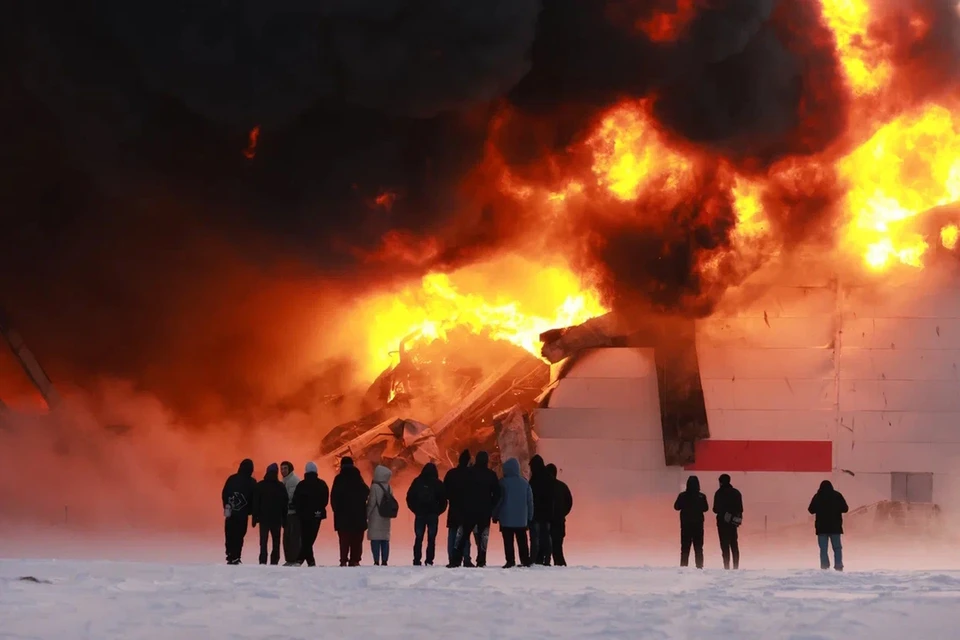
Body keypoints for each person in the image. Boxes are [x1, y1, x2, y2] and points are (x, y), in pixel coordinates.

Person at [448, 450, 500, 568]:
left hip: (468, 510)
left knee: (462, 536)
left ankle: (456, 560)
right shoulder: (491, 475)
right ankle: (481, 560)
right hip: (484, 512)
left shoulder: (468, 473)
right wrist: (491, 505)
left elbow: (461, 490)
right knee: (482, 537)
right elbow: (497, 493)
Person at [494, 458, 534, 568]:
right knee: (522, 541)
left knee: (508, 541)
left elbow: (499, 500)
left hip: (506, 519)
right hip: (521, 520)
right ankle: (525, 560)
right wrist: (529, 517)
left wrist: (495, 515)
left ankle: (510, 561)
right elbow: (530, 502)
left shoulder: (502, 482)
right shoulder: (525, 483)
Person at [406, 462, 448, 566]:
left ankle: (416, 559)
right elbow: (444, 500)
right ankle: (429, 560)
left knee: (418, 538)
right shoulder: (438, 483)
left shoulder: (417, 481)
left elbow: (409, 497)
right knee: (431, 539)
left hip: (420, 514)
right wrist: (437, 512)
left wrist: (415, 510)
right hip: (432, 515)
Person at [331, 456, 369, 567]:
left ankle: (343, 560)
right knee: (356, 540)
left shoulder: (338, 479)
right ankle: (354, 560)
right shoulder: (358, 478)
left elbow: (333, 497)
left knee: (344, 540)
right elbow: (366, 491)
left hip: (342, 516)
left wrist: (336, 511)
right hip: (358, 516)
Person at [292, 461, 329, 567]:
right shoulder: (322, 484)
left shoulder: (301, 484)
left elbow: (296, 500)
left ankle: (302, 559)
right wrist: (319, 509)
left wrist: (299, 511)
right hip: (317, 514)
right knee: (311, 537)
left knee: (305, 537)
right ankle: (309, 561)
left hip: (303, 515)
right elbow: (325, 500)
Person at [252, 462, 289, 565]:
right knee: (276, 542)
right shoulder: (281, 486)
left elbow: (256, 503)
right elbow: (284, 504)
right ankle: (274, 561)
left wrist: (255, 517)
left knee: (263, 542)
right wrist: (284, 519)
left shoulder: (260, 485)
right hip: (276, 519)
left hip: (263, 519)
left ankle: (262, 560)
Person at [808, 480, 849, 571]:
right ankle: (838, 566)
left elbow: (811, 510)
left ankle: (825, 567)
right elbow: (845, 509)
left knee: (823, 549)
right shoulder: (837, 496)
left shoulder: (818, 496)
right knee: (837, 548)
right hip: (835, 528)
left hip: (821, 528)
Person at [221, 458, 257, 565]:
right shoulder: (252, 482)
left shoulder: (231, 479)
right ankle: (236, 555)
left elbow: (224, 493)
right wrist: (250, 511)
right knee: (239, 535)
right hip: (243, 514)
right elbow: (254, 499)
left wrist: (226, 506)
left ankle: (230, 554)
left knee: (229, 534)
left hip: (231, 513)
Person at [443, 450, 473, 566]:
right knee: (465, 535)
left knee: (452, 534)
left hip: (454, 508)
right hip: (467, 509)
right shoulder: (471, 474)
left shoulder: (451, 474)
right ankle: (466, 558)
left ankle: (452, 558)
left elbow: (445, 491)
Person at [674, 475, 709, 569]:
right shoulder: (701, 496)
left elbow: (676, 507)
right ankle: (699, 566)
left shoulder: (682, 496)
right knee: (698, 548)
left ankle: (684, 566)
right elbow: (706, 508)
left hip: (685, 525)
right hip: (698, 526)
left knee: (685, 548)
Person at [712, 474, 743, 570]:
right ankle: (736, 566)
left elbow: (715, 509)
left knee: (724, 546)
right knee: (734, 544)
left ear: (720, 482)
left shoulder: (718, 493)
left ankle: (726, 566)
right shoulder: (736, 493)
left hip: (722, 523)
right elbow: (740, 509)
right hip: (733, 523)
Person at [367, 464, 395, 566]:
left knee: (375, 540)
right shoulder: (389, 487)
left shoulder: (374, 487)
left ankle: (376, 560)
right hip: (386, 517)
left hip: (375, 516)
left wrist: (366, 515)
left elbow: (371, 503)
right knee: (385, 540)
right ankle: (384, 560)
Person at [528, 455, 554, 565]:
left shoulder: (534, 479)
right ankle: (547, 559)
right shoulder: (549, 478)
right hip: (547, 513)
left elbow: (531, 497)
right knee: (546, 538)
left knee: (535, 539)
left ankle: (534, 559)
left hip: (536, 513)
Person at [546, 463, 573, 567]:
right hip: (560, 521)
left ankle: (556, 565)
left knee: (548, 547)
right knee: (558, 547)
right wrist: (562, 514)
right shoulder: (562, 486)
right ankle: (560, 565)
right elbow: (569, 503)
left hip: (548, 521)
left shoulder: (546, 487)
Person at [280, 461, 301, 566]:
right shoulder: (286, 480)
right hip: (288, 513)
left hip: (292, 514)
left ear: (290, 469)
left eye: (285, 468)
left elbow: (290, 498)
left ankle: (292, 559)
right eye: (282, 469)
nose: (283, 471)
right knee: (288, 537)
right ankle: (290, 559)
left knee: (292, 537)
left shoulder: (293, 481)